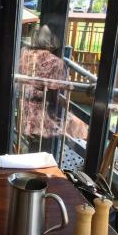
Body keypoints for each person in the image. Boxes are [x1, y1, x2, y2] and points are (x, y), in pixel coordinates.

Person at [19, 24, 87, 154]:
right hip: (44, 120)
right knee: (80, 128)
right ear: (51, 43)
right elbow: (60, 96)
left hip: (24, 115)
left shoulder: (24, 55)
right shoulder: (56, 63)